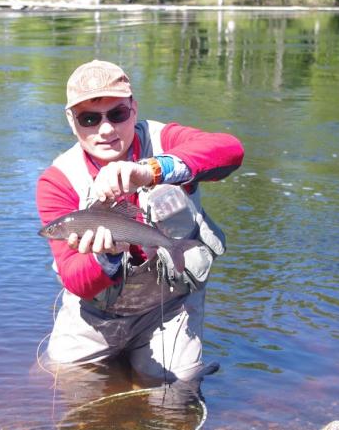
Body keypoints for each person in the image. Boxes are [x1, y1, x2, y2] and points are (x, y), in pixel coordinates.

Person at [36, 59, 244, 386]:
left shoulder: (165, 140)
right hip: (95, 314)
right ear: (71, 121)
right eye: (90, 118)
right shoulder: (58, 181)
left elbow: (231, 151)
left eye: (117, 114)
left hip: (169, 306)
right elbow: (74, 279)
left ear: (133, 109)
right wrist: (104, 258)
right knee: (58, 380)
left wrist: (152, 171)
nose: (106, 129)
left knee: (177, 388)